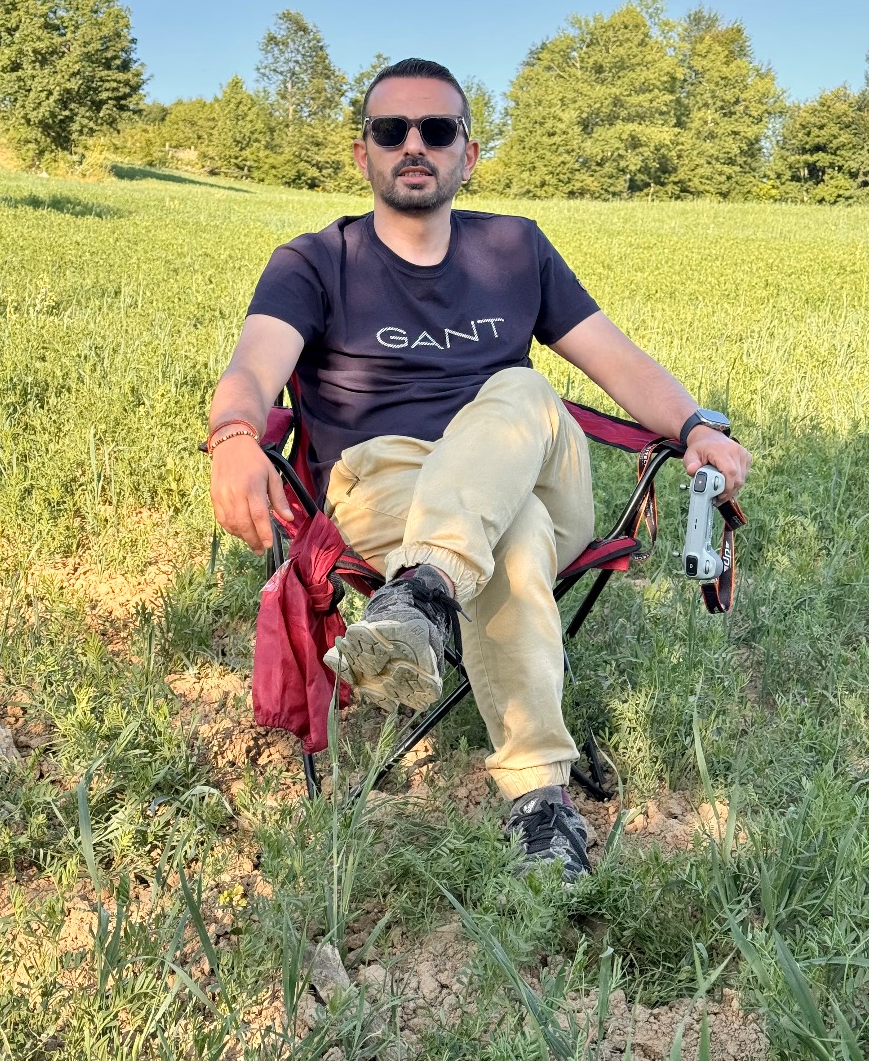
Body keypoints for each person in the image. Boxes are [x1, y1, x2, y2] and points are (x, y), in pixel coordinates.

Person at [208, 58, 751, 880]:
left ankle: (421, 595)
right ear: (362, 154)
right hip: (386, 487)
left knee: (523, 387)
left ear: (467, 154)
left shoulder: (514, 247)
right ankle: (540, 803)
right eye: (391, 130)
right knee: (512, 534)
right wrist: (232, 435)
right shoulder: (314, 262)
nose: (413, 145)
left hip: (528, 466)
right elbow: (253, 367)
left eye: (437, 130)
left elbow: (618, 361)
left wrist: (696, 426)